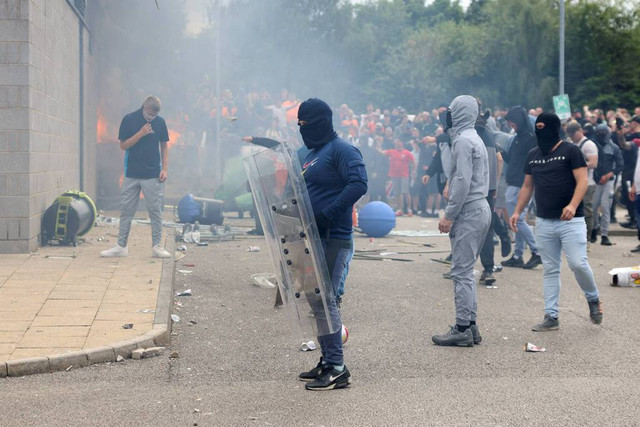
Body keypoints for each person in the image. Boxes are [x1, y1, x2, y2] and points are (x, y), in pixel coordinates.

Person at [290, 98, 366, 390]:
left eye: (306, 124)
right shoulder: (307, 153)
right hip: (309, 238)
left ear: (322, 121)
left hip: (335, 237)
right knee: (316, 300)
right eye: (299, 124)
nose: (302, 129)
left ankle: (337, 367)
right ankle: (326, 360)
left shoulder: (342, 150)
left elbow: (358, 183)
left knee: (327, 299)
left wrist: (327, 214)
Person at [510, 113, 603, 331]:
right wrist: (517, 212)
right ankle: (551, 315)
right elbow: (527, 186)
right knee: (550, 269)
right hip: (544, 222)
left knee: (578, 263)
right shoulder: (532, 154)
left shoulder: (571, 151)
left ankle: (593, 299)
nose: (539, 131)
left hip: (572, 221)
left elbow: (582, 181)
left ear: (553, 127)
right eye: (537, 127)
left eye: (543, 127)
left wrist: (572, 205)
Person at [431, 95, 491, 347]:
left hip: (469, 210)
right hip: (480, 208)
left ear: (459, 114)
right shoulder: (473, 137)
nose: (448, 116)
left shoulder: (464, 141)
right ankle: (471, 325)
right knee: (466, 271)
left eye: (451, 111)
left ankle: (463, 328)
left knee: (462, 272)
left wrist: (449, 214)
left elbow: (462, 181)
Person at [101, 95, 171, 259]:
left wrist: (165, 169)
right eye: (150, 114)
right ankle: (121, 246)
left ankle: (157, 246)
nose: (152, 117)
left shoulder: (160, 123)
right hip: (131, 173)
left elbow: (164, 146)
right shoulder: (129, 119)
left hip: (153, 174)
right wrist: (140, 133)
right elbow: (123, 145)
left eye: (154, 115)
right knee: (126, 211)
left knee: (155, 211)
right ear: (144, 108)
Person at [500, 106, 541, 269]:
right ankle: (518, 255)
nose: (510, 124)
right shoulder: (518, 137)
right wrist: (503, 152)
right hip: (517, 181)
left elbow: (530, 162)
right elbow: (514, 160)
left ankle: (537, 251)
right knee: (517, 220)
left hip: (521, 183)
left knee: (516, 219)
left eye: (511, 121)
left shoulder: (530, 139)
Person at [591, 123, 623, 245]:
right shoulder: (592, 145)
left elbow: (620, 165)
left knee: (605, 208)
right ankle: (594, 229)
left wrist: (609, 175)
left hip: (608, 181)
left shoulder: (614, 147)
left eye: (603, 134)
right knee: (593, 208)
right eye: (599, 133)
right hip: (594, 180)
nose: (601, 136)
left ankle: (604, 234)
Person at [566, 121, 598, 242]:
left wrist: (575, 165)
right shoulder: (571, 144)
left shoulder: (588, 145)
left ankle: (587, 239)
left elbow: (593, 163)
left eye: (573, 135)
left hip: (588, 183)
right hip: (573, 183)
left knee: (587, 212)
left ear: (580, 131)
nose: (572, 137)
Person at [380, 139, 415, 216]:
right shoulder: (392, 151)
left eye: (398, 142)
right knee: (397, 193)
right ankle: (400, 209)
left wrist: (413, 172)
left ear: (402, 143)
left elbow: (413, 162)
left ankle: (409, 209)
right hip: (394, 175)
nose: (397, 144)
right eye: (396, 143)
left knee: (406, 192)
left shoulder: (407, 153)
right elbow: (382, 153)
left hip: (404, 175)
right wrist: (377, 146)